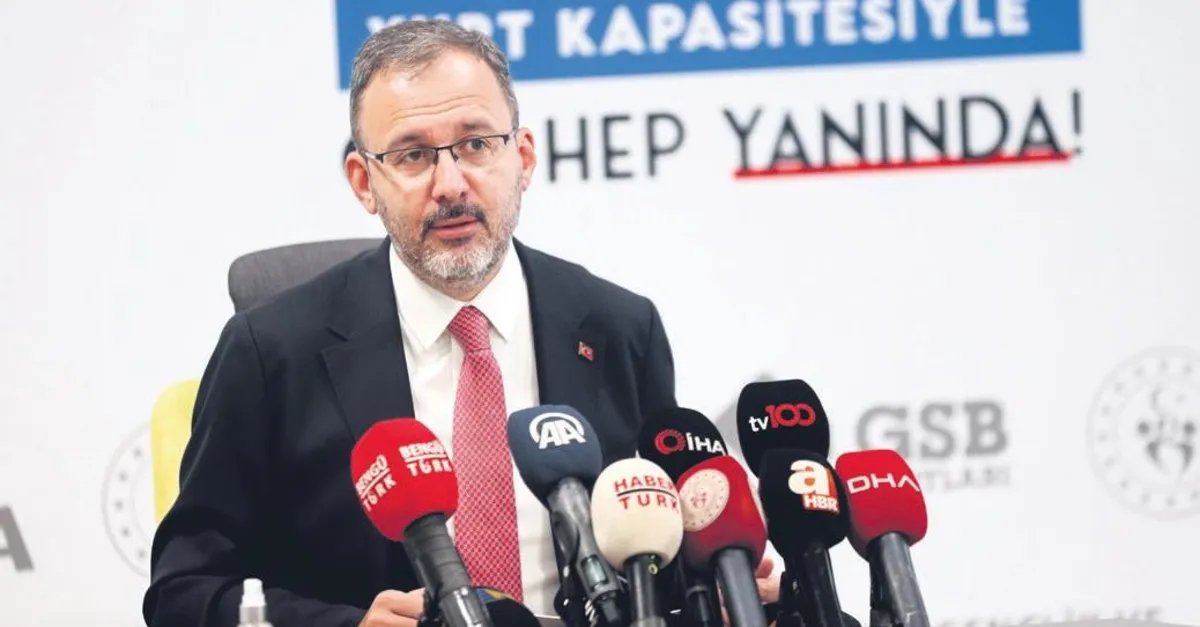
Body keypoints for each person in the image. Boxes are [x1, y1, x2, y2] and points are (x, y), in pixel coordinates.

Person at [142, 19, 779, 627]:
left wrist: (714, 590)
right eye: (413, 155)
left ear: (522, 158)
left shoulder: (619, 327)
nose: (450, 184)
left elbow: (653, 552)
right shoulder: (272, 352)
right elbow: (184, 590)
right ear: (365, 182)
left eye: (476, 144)